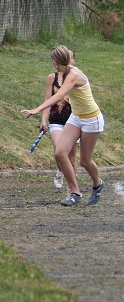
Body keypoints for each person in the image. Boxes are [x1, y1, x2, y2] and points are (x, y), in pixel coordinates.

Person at [21, 45, 105, 206]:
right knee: (60, 152)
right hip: (76, 117)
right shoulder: (63, 72)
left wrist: (37, 109)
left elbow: (59, 95)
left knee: (85, 161)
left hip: (91, 119)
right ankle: (75, 192)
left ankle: (98, 183)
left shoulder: (73, 75)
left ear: (55, 61)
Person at [39, 48, 78, 195]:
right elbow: (48, 101)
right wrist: (43, 120)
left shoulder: (76, 77)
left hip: (73, 122)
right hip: (56, 120)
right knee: (59, 150)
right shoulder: (52, 78)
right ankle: (62, 169)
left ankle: (72, 190)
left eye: (72, 58)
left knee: (71, 157)